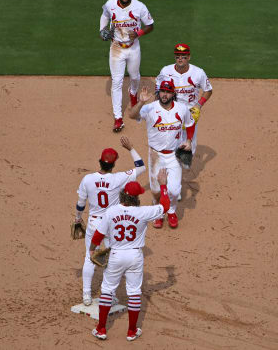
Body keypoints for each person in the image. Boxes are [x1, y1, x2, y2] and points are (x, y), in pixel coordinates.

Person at [89, 169, 171, 342]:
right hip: (135, 257)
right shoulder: (143, 212)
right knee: (134, 292)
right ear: (136, 198)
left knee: (107, 289)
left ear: (123, 195)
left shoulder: (111, 212)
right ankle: (132, 331)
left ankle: (101, 328)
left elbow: (98, 235)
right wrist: (163, 185)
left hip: (116, 255)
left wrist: (91, 249)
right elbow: (165, 206)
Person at [74, 136, 146, 306]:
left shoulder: (88, 179)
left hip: (93, 223)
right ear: (113, 164)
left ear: (100, 161)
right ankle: (111, 295)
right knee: (112, 258)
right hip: (111, 224)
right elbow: (141, 167)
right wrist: (130, 148)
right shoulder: (119, 178)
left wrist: (77, 219)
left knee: (88, 257)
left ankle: (86, 295)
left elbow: (80, 204)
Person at [127, 79, 195, 228]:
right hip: (155, 155)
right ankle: (158, 212)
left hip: (174, 155)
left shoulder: (181, 109)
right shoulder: (150, 108)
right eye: (162, 91)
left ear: (173, 93)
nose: (165, 95)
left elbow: (190, 124)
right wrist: (140, 103)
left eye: (168, 92)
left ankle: (171, 211)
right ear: (159, 93)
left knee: (175, 190)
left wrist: (189, 141)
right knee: (156, 190)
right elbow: (132, 115)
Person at [99, 0, 154, 133]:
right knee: (117, 81)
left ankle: (133, 95)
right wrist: (102, 29)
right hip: (116, 48)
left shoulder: (139, 7)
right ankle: (118, 118)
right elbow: (104, 14)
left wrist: (138, 33)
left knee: (135, 77)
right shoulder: (110, 4)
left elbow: (150, 25)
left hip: (133, 47)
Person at [157, 43, 213, 159]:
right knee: (168, 146)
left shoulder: (198, 72)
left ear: (189, 57)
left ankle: (180, 166)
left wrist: (198, 105)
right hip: (171, 112)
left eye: (183, 56)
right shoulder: (166, 71)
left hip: (190, 112)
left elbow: (208, 90)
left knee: (188, 149)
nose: (180, 59)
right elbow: (158, 89)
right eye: (177, 56)